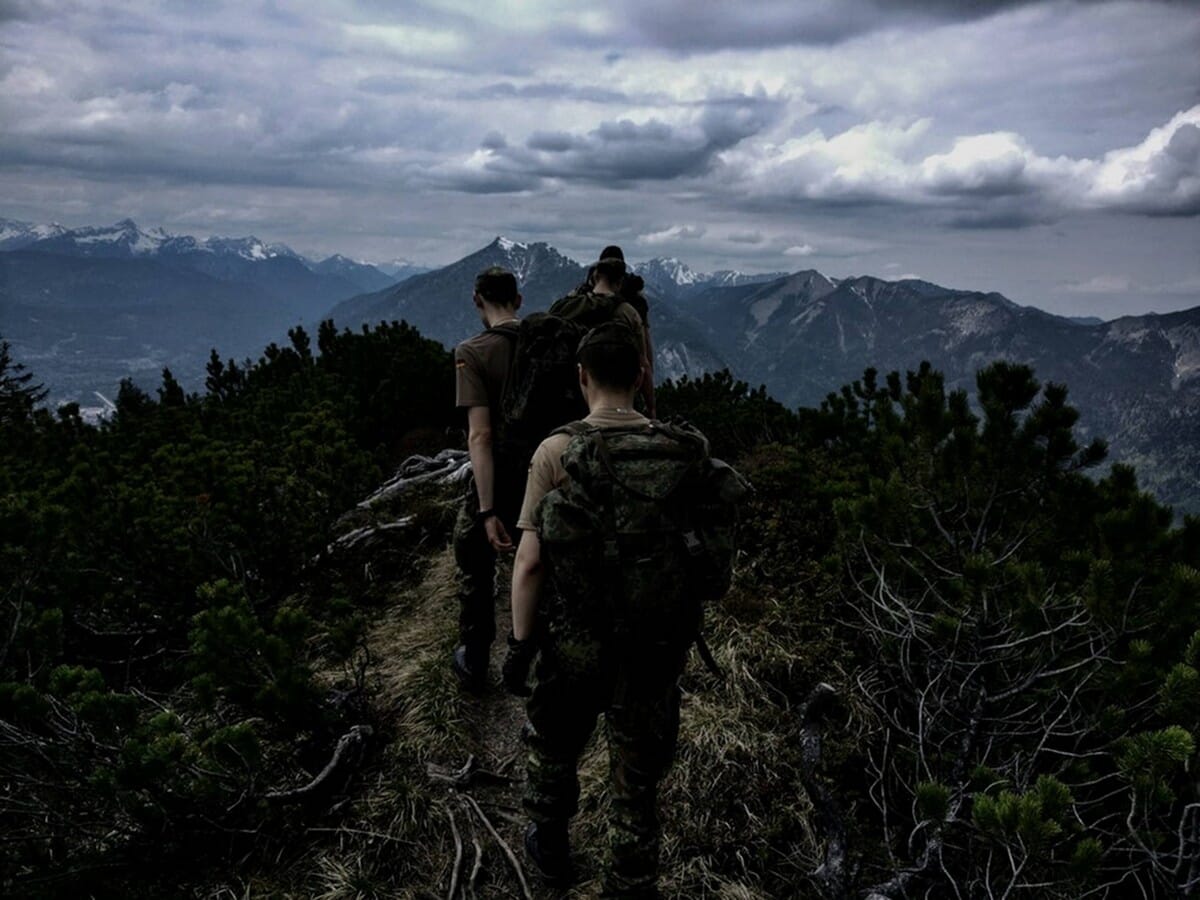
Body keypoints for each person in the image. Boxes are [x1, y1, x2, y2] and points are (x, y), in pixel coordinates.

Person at [503, 321, 716, 897]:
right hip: (654, 646)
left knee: (553, 745)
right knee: (637, 778)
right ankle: (629, 881)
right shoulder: (682, 454)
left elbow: (528, 562)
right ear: (642, 375)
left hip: (575, 644)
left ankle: (550, 850)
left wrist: (521, 644)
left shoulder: (557, 450)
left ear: (581, 378)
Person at [449, 265, 524, 690]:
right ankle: (532, 652)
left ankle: (475, 659)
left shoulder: (472, 351)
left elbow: (480, 433)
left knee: (472, 558)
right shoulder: (544, 346)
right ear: (519, 300)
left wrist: (487, 507)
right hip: (548, 472)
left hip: (503, 476)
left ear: (477, 301)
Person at [552, 247, 656, 419]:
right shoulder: (630, 309)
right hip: (622, 395)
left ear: (596, 275)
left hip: (577, 393)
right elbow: (645, 361)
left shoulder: (574, 302)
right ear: (620, 280)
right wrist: (651, 407)